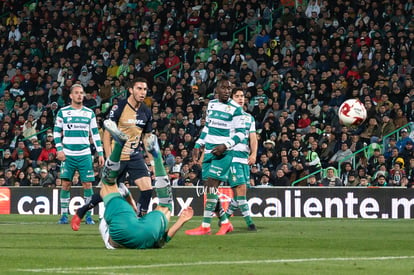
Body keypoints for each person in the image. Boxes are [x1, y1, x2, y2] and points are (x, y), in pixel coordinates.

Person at [97, 120, 193, 249]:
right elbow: (119, 210)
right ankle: (152, 156)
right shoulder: (114, 215)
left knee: (165, 204)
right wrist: (130, 204)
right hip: (129, 227)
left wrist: (181, 221)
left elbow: (162, 242)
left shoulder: (108, 222)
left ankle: (151, 154)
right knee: (108, 183)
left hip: (138, 233)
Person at [185, 78, 246, 236]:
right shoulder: (211, 104)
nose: (227, 91)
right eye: (224, 88)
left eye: (229, 88)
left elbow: (241, 133)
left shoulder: (236, 109)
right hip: (209, 151)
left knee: (212, 185)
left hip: (224, 152)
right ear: (217, 89)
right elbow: (208, 126)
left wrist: (226, 145)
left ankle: (206, 225)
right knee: (209, 188)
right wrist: (199, 143)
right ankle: (225, 222)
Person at [54, 84, 105, 225]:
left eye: (81, 93)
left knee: (87, 184)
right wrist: (59, 149)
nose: (79, 95)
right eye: (76, 93)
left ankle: (88, 215)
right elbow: (56, 132)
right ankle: (64, 215)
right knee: (65, 184)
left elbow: (95, 134)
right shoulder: (63, 112)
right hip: (68, 154)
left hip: (85, 154)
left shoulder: (89, 113)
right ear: (71, 95)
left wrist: (100, 152)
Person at [103, 77, 153, 217]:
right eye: (139, 89)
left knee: (147, 188)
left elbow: (147, 138)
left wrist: (153, 162)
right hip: (118, 156)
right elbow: (107, 134)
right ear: (131, 90)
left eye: (145, 89)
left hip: (135, 155)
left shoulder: (146, 111)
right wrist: (109, 158)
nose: (142, 92)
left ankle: (140, 218)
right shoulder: (119, 107)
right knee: (109, 190)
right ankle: (82, 212)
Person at [215, 87, 257, 231]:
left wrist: (253, 154)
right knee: (240, 189)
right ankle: (250, 224)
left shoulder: (249, 118)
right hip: (232, 157)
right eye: (237, 96)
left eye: (242, 96)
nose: (240, 98)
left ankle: (225, 219)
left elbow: (253, 137)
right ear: (232, 98)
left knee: (240, 194)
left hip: (244, 158)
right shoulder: (226, 115)